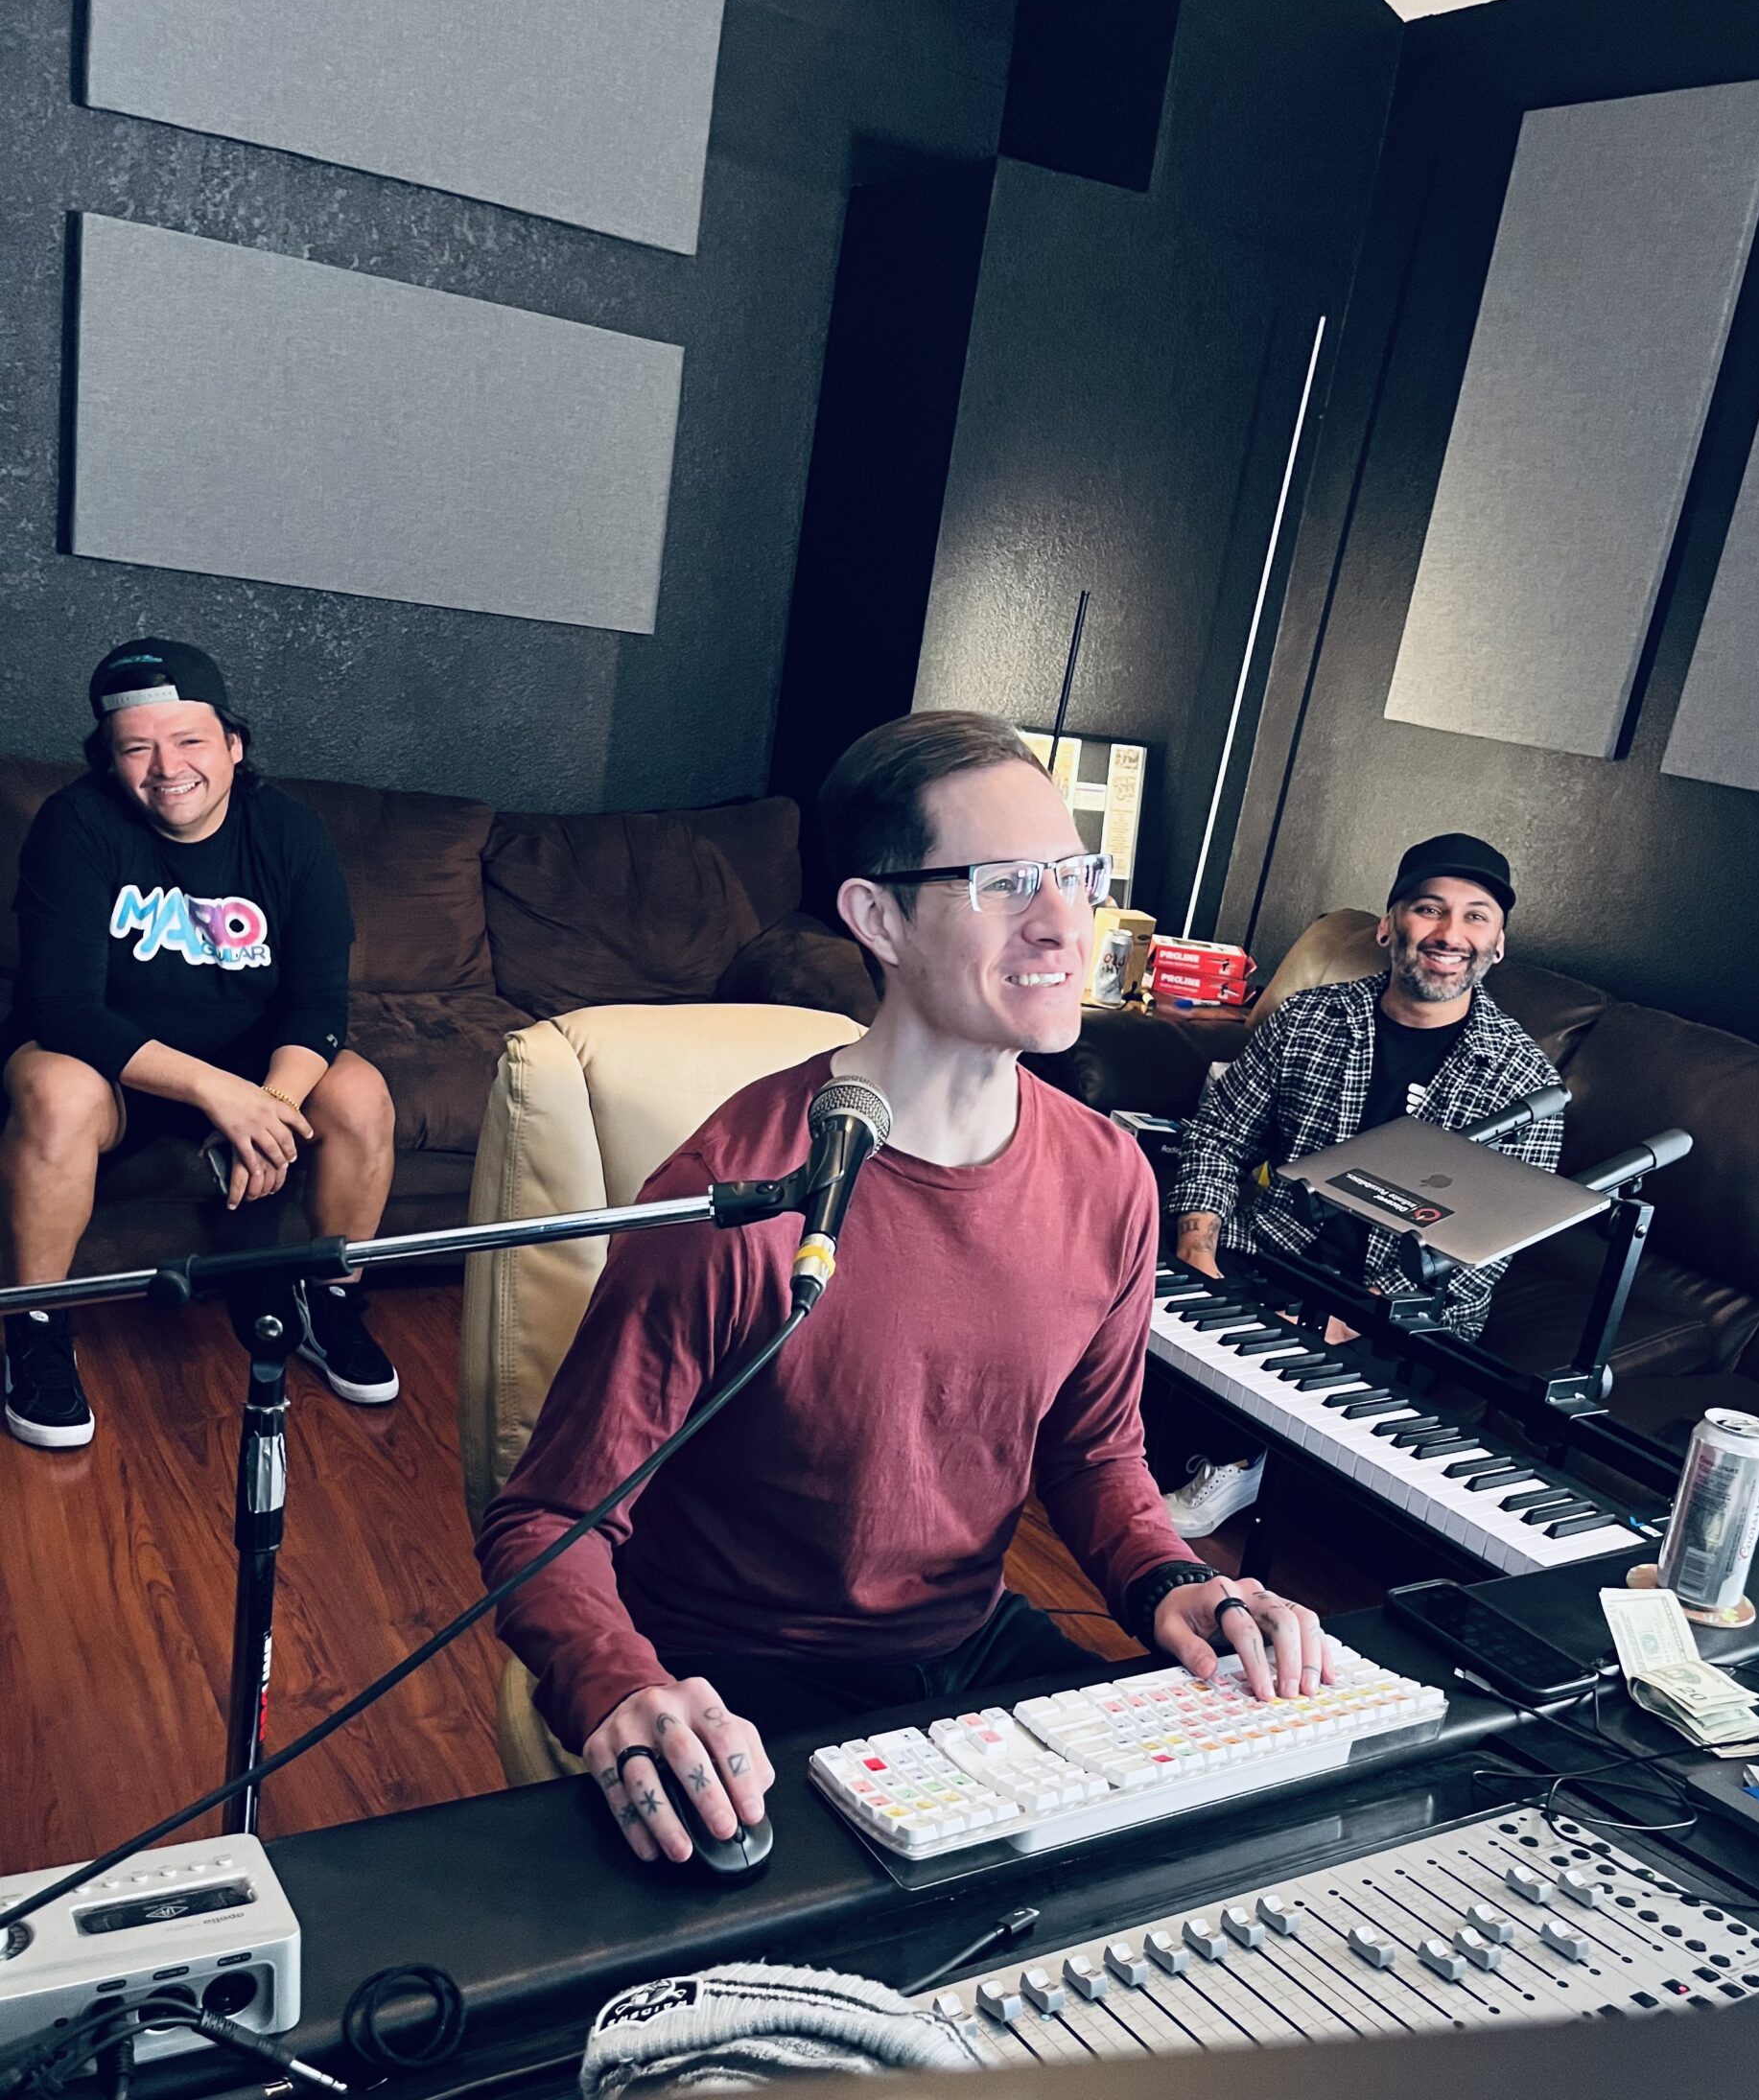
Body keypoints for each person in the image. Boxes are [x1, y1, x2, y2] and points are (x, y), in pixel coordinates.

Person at [477, 711, 1330, 1866]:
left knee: (1230, 1842)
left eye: (1075, 875)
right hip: (745, 1677)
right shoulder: (739, 1191)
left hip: (967, 1648)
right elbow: (546, 1521)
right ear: (878, 915)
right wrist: (618, 1686)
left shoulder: (1110, 1176)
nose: (1063, 922)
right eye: (1006, 882)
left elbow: (1093, 1453)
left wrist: (1171, 1577)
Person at [0, 638, 399, 1448]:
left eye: (188, 740)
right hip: (108, 1064)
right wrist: (219, 1094)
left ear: (233, 746)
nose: (165, 765)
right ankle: (33, 1328)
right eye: (136, 747)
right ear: (110, 761)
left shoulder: (288, 832)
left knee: (359, 1092)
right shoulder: (75, 825)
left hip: (248, 1061)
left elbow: (319, 1001)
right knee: (55, 1093)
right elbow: (62, 1007)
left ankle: (328, 1298)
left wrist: (275, 1105)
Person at [1161, 831, 1562, 1537]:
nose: (1450, 934)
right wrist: (1199, 1246)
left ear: (1498, 945)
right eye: (1429, 910)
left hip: (1401, 1305)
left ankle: (1231, 1459)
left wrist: (1342, 1320)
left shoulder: (1525, 1084)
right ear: (1388, 926)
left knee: (1267, 1365)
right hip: (1270, 1250)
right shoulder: (1310, 1018)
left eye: (1476, 917)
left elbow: (1481, 1260)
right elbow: (1219, 1136)